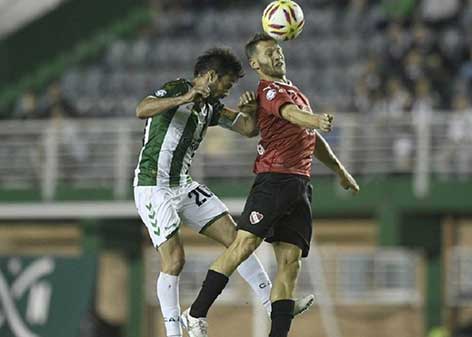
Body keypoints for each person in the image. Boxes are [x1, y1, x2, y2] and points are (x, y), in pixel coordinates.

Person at [184, 33, 360, 337]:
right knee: (243, 245)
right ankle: (196, 312)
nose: (276, 56)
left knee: (291, 264)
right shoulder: (268, 92)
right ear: (255, 63)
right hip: (274, 179)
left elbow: (310, 138)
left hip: (299, 185)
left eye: (278, 50)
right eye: (268, 53)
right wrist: (314, 119)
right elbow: (291, 115)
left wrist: (340, 170)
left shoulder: (294, 91)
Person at [133, 48, 312, 337]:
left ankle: (272, 305)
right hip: (154, 186)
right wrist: (184, 98)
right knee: (175, 260)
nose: (228, 91)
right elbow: (142, 109)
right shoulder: (178, 88)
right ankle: (174, 332)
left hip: (183, 184)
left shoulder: (211, 107)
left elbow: (247, 129)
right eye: (226, 85)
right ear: (211, 76)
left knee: (238, 240)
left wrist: (252, 110)